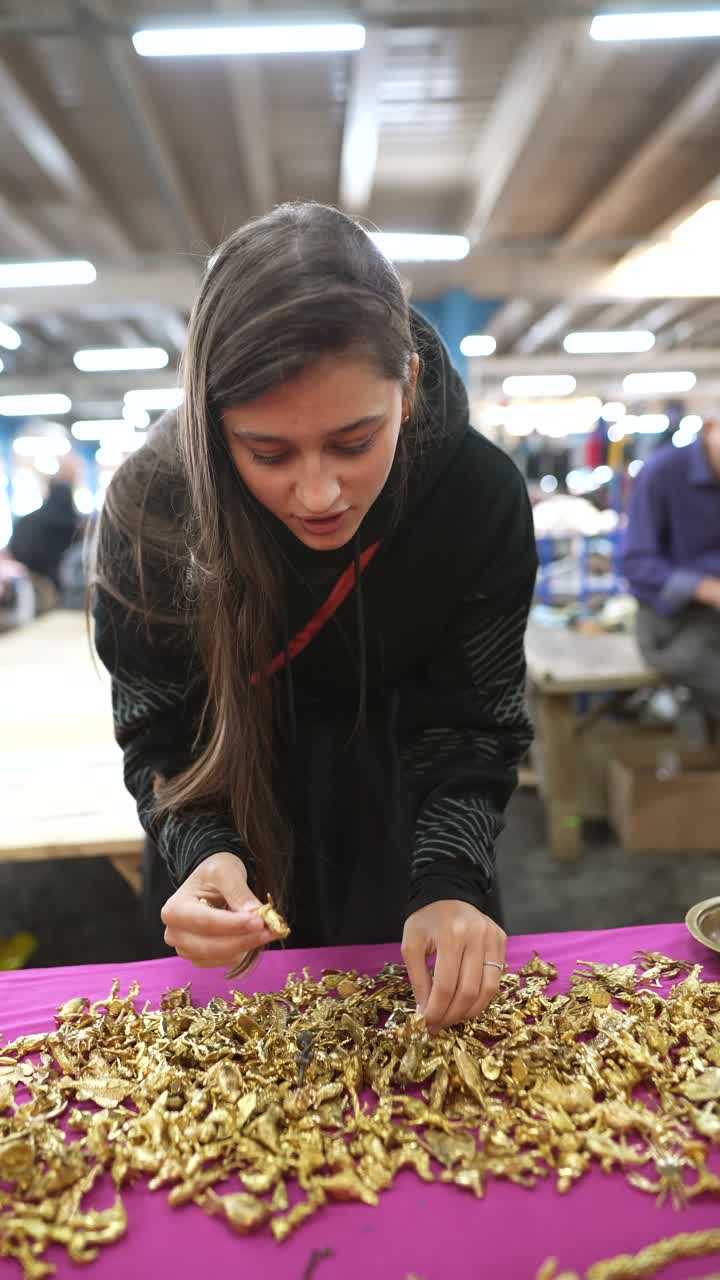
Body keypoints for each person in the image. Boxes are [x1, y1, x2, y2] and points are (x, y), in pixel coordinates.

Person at [92, 202, 537, 1030]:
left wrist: (449, 880)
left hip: (405, 817)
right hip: (226, 802)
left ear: (407, 384)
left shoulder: (478, 497)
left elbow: (474, 724)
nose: (319, 494)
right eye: (268, 453)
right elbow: (162, 732)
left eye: (355, 441)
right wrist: (201, 855)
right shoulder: (151, 512)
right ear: (215, 422)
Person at [623, 418, 720, 726]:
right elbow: (636, 564)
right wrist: (702, 587)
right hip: (672, 629)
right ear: (710, 427)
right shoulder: (662, 473)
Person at [9, 463, 80, 614]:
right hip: (72, 593)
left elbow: (16, 551)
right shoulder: (78, 524)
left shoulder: (27, 521)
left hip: (37, 590)